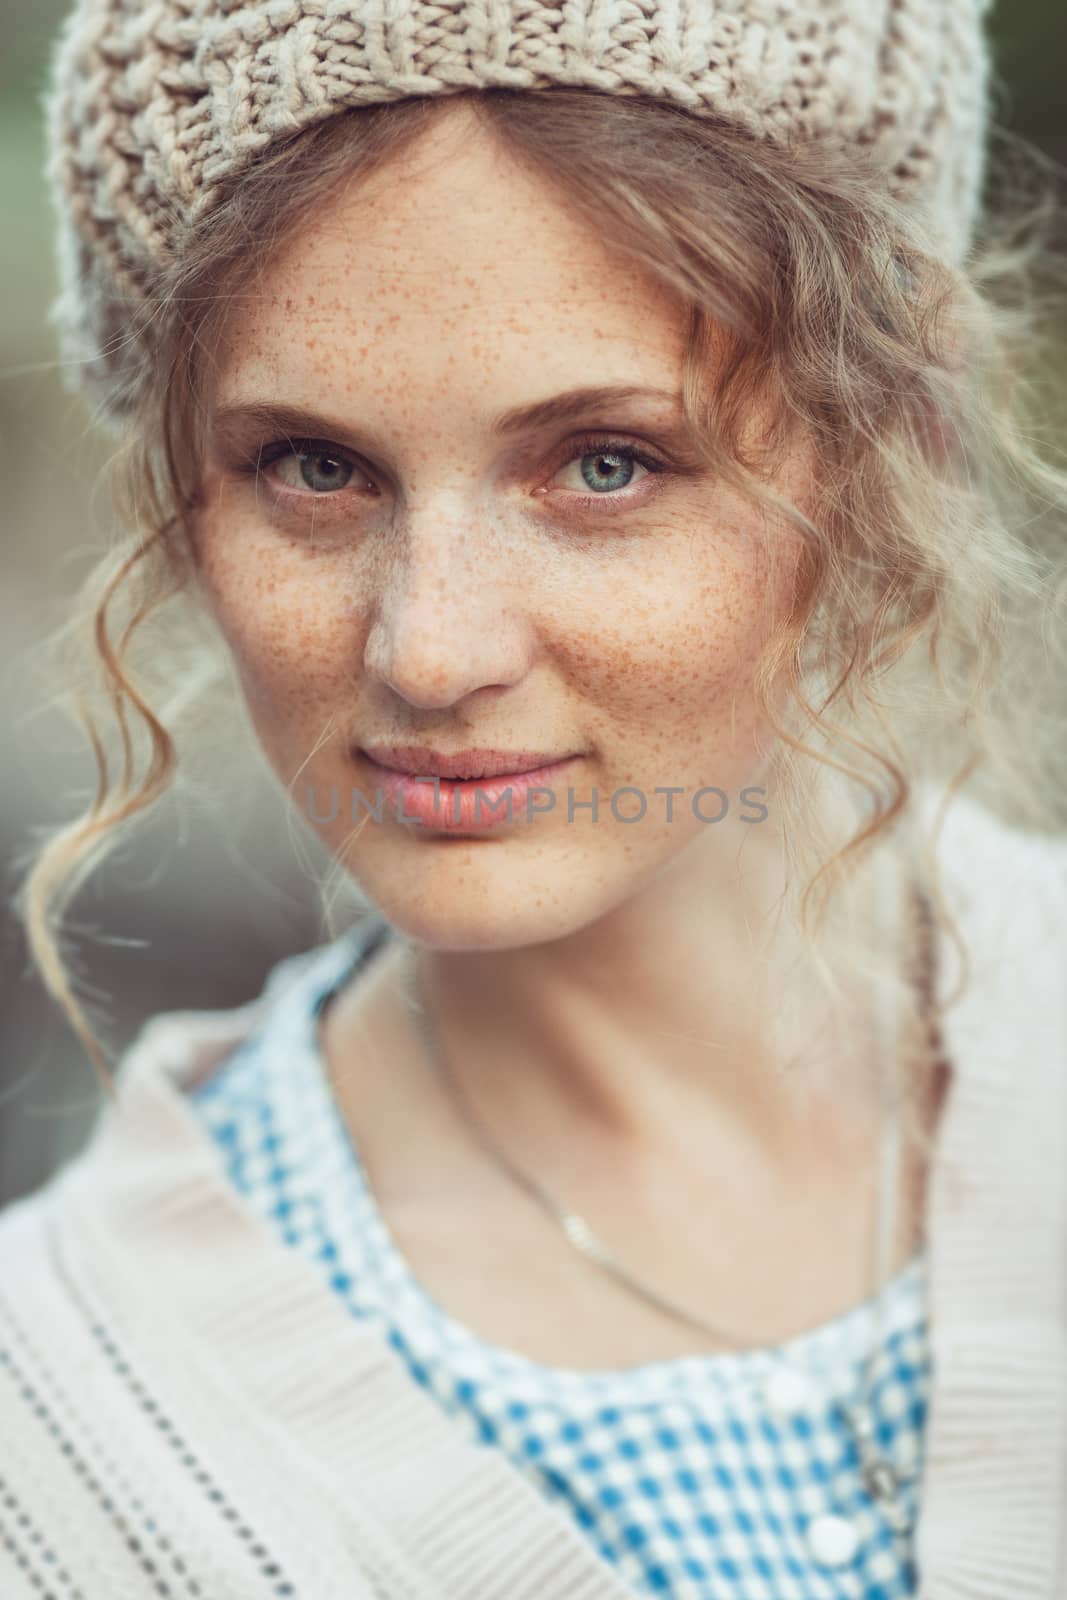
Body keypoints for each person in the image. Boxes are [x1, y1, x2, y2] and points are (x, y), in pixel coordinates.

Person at [2, 1, 1065, 1596]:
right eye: (312, 465)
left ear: (878, 449)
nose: (431, 650)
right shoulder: (64, 1435)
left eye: (603, 466)